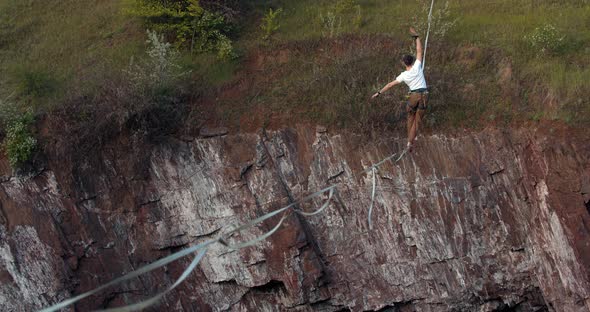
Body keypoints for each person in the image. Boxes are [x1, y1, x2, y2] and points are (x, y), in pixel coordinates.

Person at [371, 27, 428, 151]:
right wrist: (417, 37)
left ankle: (410, 141)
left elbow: (390, 84)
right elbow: (419, 51)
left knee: (410, 117)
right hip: (424, 95)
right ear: (412, 61)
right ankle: (410, 143)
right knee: (417, 122)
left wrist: (379, 92)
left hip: (414, 96)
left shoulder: (403, 75)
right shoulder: (417, 67)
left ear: (404, 63)